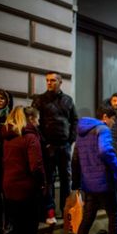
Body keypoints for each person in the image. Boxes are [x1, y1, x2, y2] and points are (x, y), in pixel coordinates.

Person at [72, 106, 117, 234]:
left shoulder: (82, 132)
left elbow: (75, 159)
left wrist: (77, 183)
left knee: (87, 220)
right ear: (106, 117)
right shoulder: (102, 129)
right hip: (105, 182)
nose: (112, 124)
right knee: (114, 217)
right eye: (113, 120)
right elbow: (105, 151)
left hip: (89, 184)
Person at [0, 106, 45, 234]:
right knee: (19, 229)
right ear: (31, 119)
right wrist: (42, 183)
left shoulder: (8, 136)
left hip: (9, 186)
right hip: (26, 188)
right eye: (37, 119)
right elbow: (36, 166)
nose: (38, 123)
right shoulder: (30, 137)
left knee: (14, 227)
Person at [31, 71, 78, 221]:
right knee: (49, 180)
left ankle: (65, 211)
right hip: (48, 147)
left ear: (60, 82)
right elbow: (34, 123)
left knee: (66, 179)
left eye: (52, 80)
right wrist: (44, 143)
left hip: (64, 146)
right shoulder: (40, 100)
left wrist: (71, 140)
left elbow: (75, 121)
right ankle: (49, 212)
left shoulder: (68, 100)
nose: (49, 83)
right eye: (47, 80)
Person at [0, 89, 13, 234]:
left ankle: (8, 223)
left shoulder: (9, 117)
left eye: (2, 98)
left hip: (6, 160)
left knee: (6, 194)